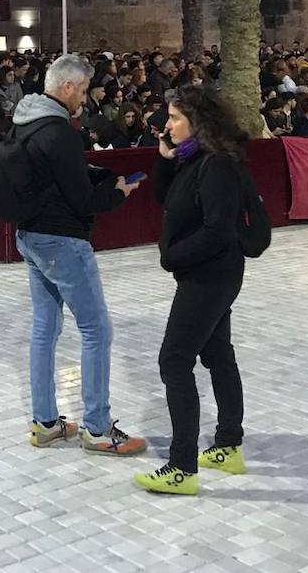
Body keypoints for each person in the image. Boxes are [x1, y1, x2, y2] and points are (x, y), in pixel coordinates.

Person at [13, 54, 146, 456]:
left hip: (30, 236)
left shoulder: (23, 123)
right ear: (67, 87)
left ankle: (46, 422)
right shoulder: (60, 132)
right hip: (63, 241)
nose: (85, 100)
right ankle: (97, 428)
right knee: (96, 330)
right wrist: (118, 192)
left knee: (44, 329)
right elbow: (84, 200)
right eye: (84, 91)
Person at [134, 86, 249, 496]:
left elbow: (217, 230)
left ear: (198, 122)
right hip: (209, 275)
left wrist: (173, 257)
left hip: (209, 277)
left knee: (174, 360)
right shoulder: (193, 160)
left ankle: (182, 466)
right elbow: (166, 197)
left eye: (175, 118)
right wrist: (165, 160)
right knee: (217, 353)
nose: (166, 125)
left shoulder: (216, 165)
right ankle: (228, 445)